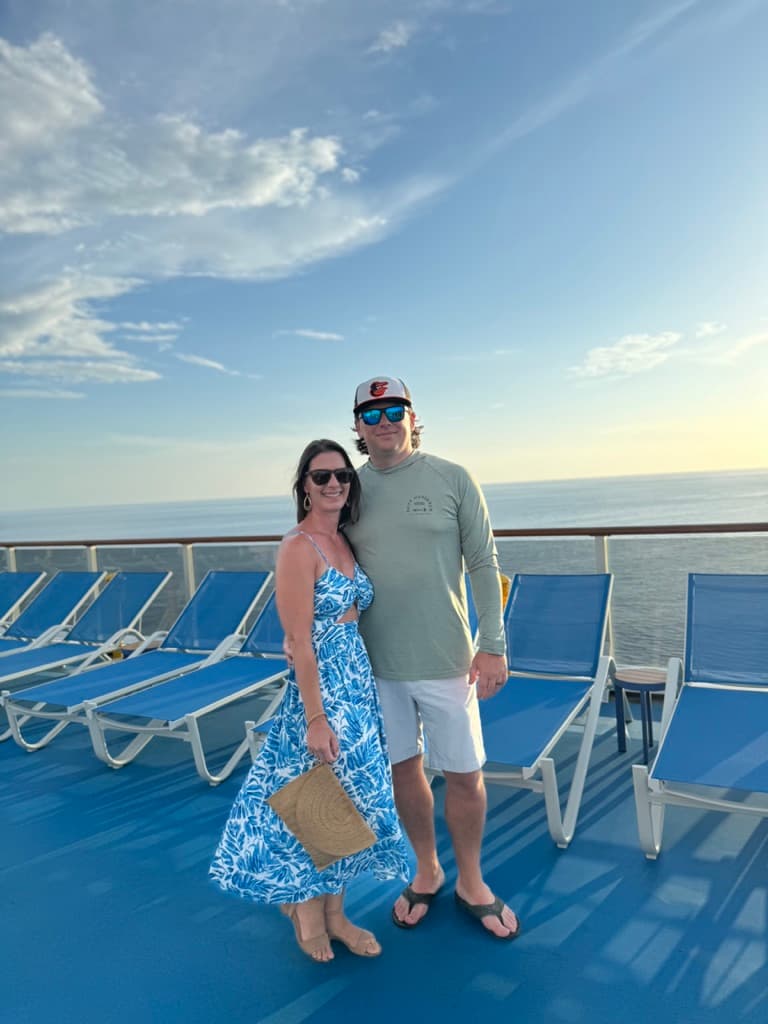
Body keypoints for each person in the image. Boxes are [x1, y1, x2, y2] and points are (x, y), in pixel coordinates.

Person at [209, 439, 409, 963]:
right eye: (321, 477)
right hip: (320, 692)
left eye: (342, 475)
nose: (333, 484)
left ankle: (335, 913)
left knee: (345, 806)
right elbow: (298, 640)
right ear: (303, 486)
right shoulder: (299, 546)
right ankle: (307, 912)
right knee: (314, 799)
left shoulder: (344, 540)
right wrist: (316, 718)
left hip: (356, 687)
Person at [344, 377, 521, 940]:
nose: (384, 421)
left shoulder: (452, 477)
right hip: (377, 664)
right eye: (371, 414)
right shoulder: (347, 491)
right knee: (404, 771)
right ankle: (427, 869)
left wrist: (492, 643)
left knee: (465, 776)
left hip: (448, 659)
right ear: (358, 428)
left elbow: (484, 562)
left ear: (413, 418)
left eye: (395, 409)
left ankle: (471, 880)